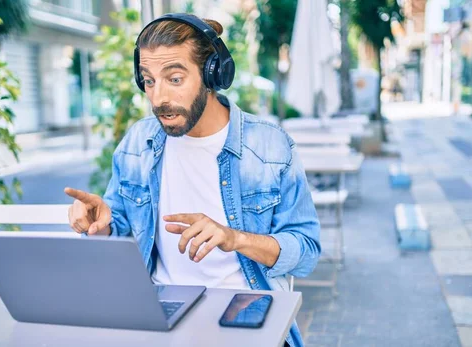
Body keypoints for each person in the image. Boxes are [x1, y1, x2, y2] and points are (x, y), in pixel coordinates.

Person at [65, 13, 320, 347]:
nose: (158, 99)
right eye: (150, 81)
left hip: (241, 314)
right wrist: (105, 223)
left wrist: (235, 238)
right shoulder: (138, 142)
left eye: (174, 79)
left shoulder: (270, 145)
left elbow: (307, 251)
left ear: (213, 74)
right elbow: (124, 224)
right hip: (158, 315)